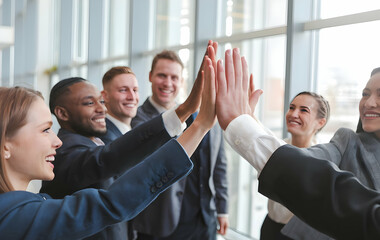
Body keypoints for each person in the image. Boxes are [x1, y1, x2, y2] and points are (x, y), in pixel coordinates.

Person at [0, 81, 217, 239]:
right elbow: (111, 198)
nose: (57, 141)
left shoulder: (26, 204)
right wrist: (199, 126)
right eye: (45, 130)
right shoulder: (12, 217)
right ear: (5, 145)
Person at [213, 48, 380, 239]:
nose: (368, 103)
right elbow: (300, 164)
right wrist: (247, 123)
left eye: (303, 110)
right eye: (365, 94)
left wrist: (248, 124)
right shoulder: (346, 144)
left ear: (320, 123)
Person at [131, 46, 228, 240]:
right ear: (150, 76)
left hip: (203, 219)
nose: (168, 83)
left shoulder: (201, 116)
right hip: (162, 223)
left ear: (181, 81)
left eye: (174, 77)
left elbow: (219, 163)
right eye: (162, 75)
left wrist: (222, 208)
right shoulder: (137, 119)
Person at [260, 92, 330, 240]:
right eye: (292, 108)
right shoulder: (277, 148)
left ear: (320, 122)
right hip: (270, 227)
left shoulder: (323, 160)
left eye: (304, 110)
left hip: (300, 235)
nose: (293, 114)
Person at [100, 66, 139, 144]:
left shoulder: (133, 129)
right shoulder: (104, 138)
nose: (132, 97)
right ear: (105, 96)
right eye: (123, 90)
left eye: (135, 90)